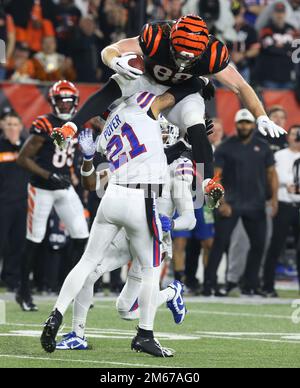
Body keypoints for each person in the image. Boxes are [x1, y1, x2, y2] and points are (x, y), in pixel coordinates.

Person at [40, 78, 204, 357]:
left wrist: (172, 223)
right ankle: (126, 334)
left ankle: (56, 313)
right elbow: (169, 103)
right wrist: (199, 79)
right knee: (101, 272)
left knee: (120, 303)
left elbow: (189, 215)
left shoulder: (111, 133)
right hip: (141, 203)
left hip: (120, 200)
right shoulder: (147, 110)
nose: (162, 134)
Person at [52, 14, 286, 208]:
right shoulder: (156, 36)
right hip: (148, 79)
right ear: (171, 38)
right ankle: (71, 125)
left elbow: (240, 86)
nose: (183, 61)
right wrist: (115, 62)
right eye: (179, 53)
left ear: (203, 49)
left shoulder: (214, 53)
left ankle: (207, 182)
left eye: (189, 57)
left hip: (181, 90)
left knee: (195, 122)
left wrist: (261, 115)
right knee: (118, 82)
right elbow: (111, 50)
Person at [16, 80, 89, 312]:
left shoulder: (78, 122)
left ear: (76, 103)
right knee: (35, 238)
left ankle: (74, 288)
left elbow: (100, 117)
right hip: (41, 188)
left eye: (69, 102)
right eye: (61, 101)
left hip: (65, 186)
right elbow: (23, 158)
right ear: (52, 102)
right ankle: (23, 291)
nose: (66, 106)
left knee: (82, 236)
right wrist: (48, 175)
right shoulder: (44, 123)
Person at [203, 109, 278, 296]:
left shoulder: (263, 147)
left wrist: (274, 199)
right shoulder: (225, 147)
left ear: (253, 124)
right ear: (236, 124)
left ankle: (250, 284)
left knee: (259, 245)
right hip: (231, 203)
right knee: (220, 243)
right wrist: (221, 201)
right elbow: (216, 176)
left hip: (256, 204)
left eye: (247, 122)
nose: (244, 126)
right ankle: (209, 284)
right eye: (241, 122)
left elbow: (272, 174)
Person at [263, 125, 300, 296]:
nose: (296, 137)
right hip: (284, 204)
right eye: (294, 134)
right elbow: (272, 180)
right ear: (288, 137)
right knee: (275, 246)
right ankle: (268, 286)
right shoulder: (279, 155)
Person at [0, 112, 28, 291]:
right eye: (8, 124)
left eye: (15, 124)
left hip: (22, 203)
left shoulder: (27, 146)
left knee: (18, 243)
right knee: (2, 241)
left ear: (20, 127)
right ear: (2, 125)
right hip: (2, 202)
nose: (11, 127)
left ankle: (10, 279)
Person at [255, 2, 296, 89]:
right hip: (270, 77)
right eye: (277, 12)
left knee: (288, 103)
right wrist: (287, 48)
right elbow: (268, 48)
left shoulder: (292, 29)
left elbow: (296, 49)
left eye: (282, 12)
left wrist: (277, 45)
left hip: (288, 77)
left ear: (285, 14)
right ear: (273, 14)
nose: (279, 15)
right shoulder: (266, 29)